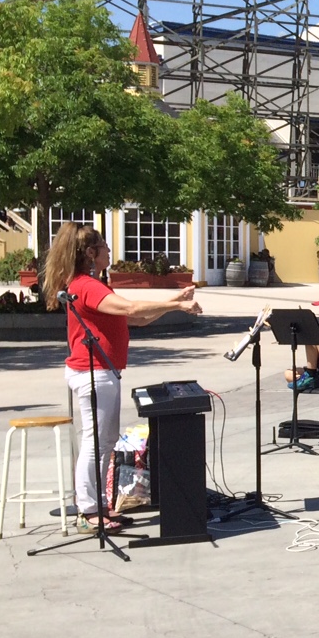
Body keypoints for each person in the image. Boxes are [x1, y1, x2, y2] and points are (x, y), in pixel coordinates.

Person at [41, 223, 202, 531]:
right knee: (96, 441)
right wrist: (178, 303)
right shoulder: (87, 285)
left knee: (105, 441)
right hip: (93, 372)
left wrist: (173, 303)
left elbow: (134, 319)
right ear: (91, 253)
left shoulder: (92, 285)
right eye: (104, 246)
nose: (109, 251)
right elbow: (131, 306)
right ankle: (89, 508)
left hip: (104, 371)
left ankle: (99, 503)